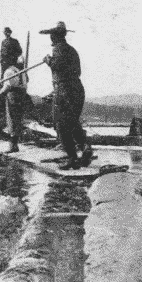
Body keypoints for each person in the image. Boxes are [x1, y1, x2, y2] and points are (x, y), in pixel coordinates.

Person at [40, 21, 93, 170]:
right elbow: (75, 72)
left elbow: (58, 66)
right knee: (72, 122)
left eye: (52, 35)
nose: (50, 38)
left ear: (55, 36)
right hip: (76, 89)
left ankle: (72, 158)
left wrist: (48, 60)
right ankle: (85, 147)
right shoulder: (72, 50)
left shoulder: (58, 48)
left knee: (61, 125)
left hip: (65, 91)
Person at [0, 62, 28, 153]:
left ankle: (12, 146)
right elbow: (25, 84)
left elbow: (7, 86)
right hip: (22, 95)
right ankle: (15, 145)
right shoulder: (21, 71)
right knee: (18, 120)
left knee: (11, 120)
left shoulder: (8, 71)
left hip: (12, 95)